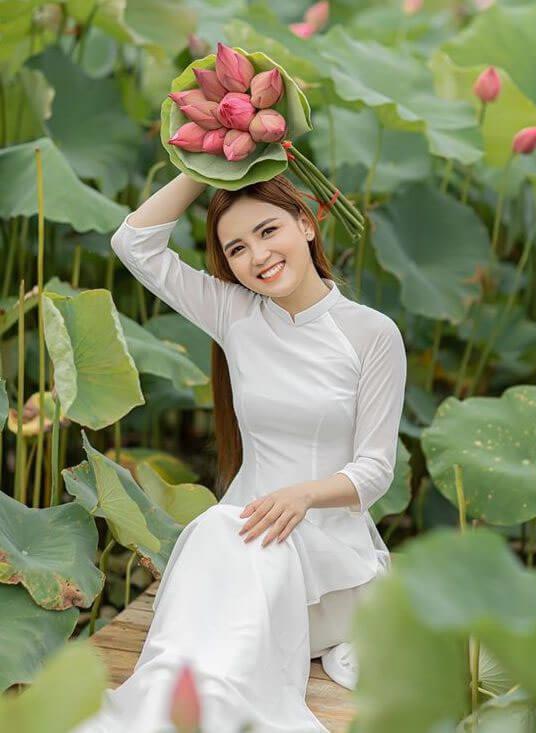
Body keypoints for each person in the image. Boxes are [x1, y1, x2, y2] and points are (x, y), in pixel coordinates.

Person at [71, 171, 407, 733]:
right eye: (237, 249)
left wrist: (303, 496)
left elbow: (375, 472)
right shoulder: (236, 313)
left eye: (268, 230)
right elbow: (134, 243)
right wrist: (205, 169)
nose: (258, 256)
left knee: (223, 577)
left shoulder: (372, 334)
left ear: (306, 223)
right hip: (240, 536)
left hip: (328, 570)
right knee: (215, 535)